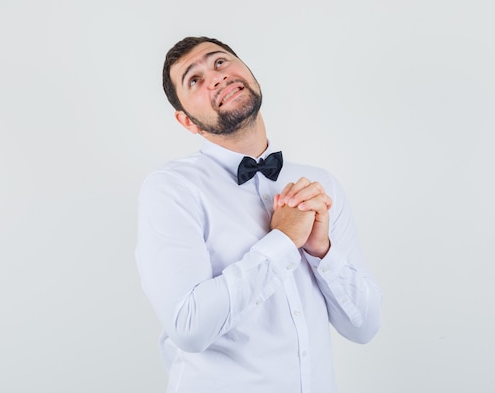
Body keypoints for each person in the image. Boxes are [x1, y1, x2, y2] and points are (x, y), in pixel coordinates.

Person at [135, 36, 382, 393]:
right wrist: (282, 242)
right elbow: (188, 327)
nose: (215, 77)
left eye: (220, 62)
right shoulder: (171, 189)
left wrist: (321, 252)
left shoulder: (319, 185)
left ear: (253, 77)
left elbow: (365, 327)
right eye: (195, 79)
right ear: (187, 122)